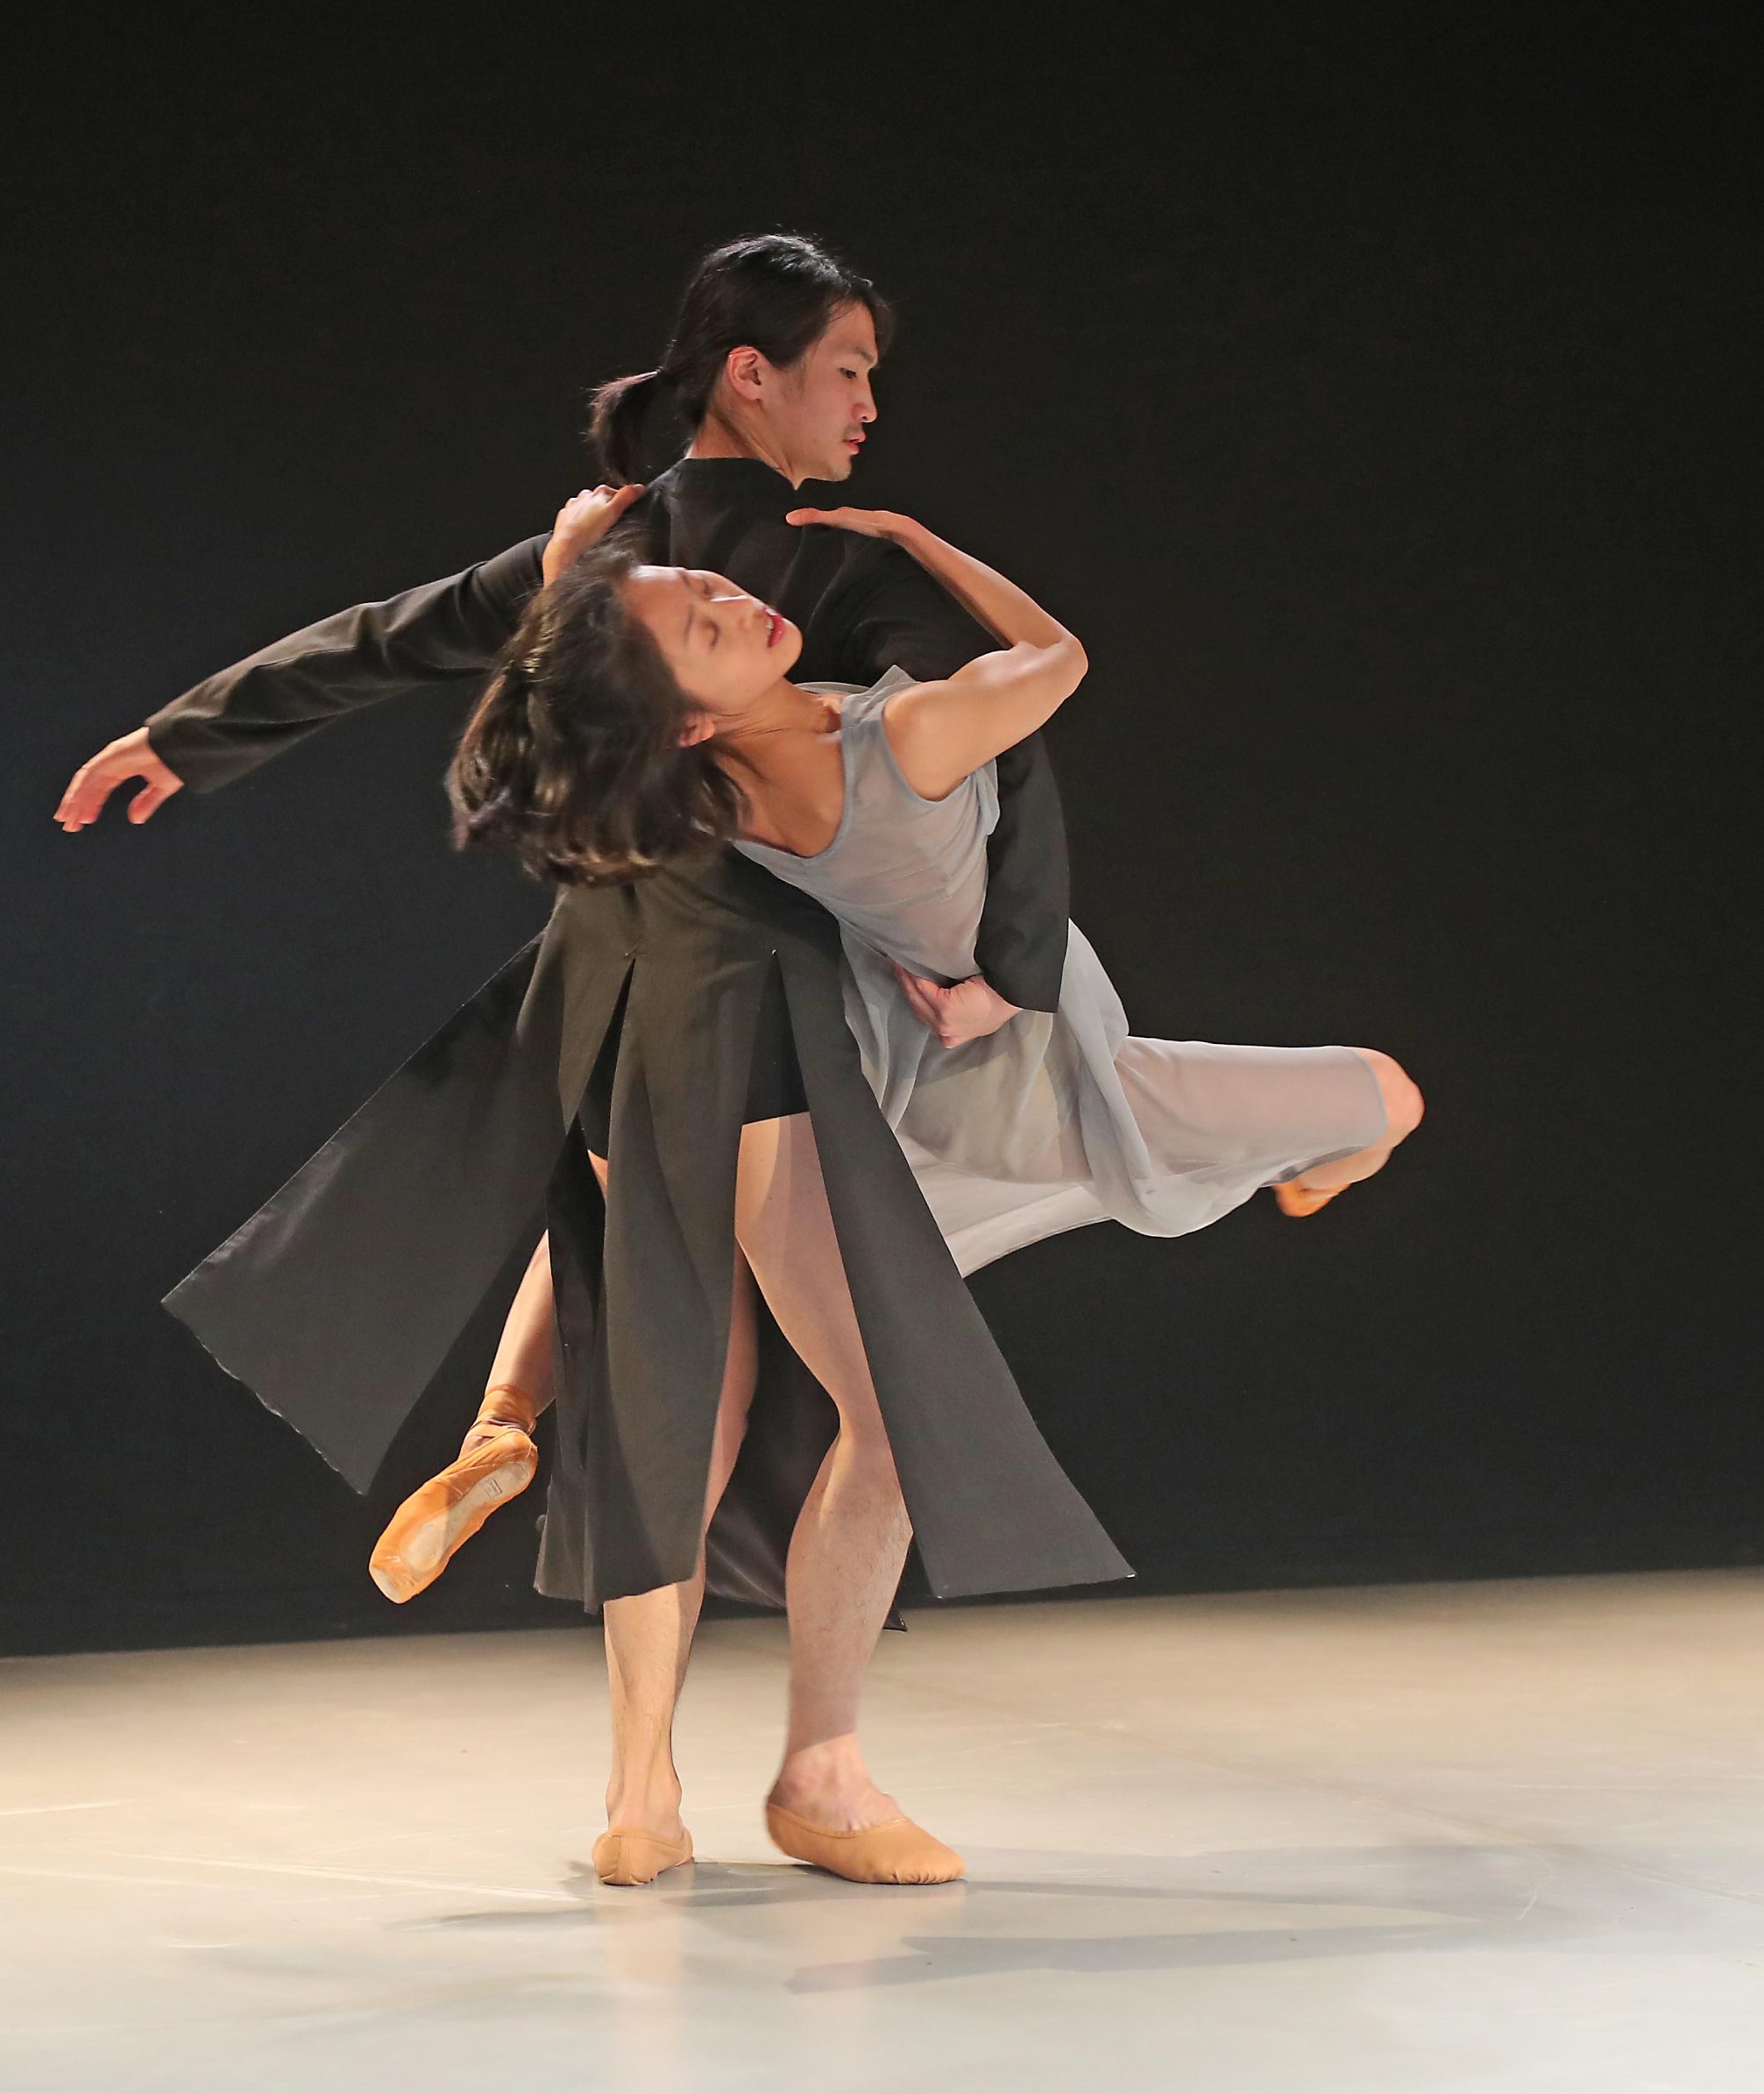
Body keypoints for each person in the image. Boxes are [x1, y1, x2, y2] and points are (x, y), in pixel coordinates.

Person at [56, 236, 1125, 1888]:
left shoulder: (602, 548)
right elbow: (1012, 753)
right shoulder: (812, 564)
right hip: (752, 999)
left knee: (668, 1387)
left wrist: (187, 734)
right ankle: (820, 1772)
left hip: (602, 989)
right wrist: (1009, 972)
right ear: (750, 373)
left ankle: (636, 1780)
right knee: (864, 1397)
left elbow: (393, 637)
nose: (868, 404)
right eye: (847, 369)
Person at [375, 499, 1423, 1608]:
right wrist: (919, 540)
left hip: (884, 1064)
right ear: (685, 717)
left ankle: (503, 1417)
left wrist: (566, 573)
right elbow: (1059, 657)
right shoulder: (905, 738)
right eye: (707, 626)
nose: (738, 602)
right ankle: (1319, 1171)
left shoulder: (705, 787)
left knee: (641, 1190)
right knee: (1390, 1098)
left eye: (711, 590)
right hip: (1022, 1073)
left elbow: (583, 715)